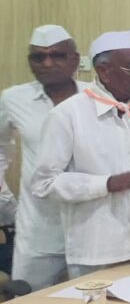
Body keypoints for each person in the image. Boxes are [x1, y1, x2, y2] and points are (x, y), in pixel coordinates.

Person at [30, 30, 130, 278]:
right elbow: (44, 183)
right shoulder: (68, 115)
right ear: (104, 71)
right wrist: (105, 184)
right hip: (97, 252)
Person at [0, 25, 88, 290]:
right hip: (38, 226)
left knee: (96, 301)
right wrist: (7, 204)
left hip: (91, 226)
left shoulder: (96, 97)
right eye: (38, 57)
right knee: (28, 303)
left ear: (75, 59)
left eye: (57, 55)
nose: (47, 63)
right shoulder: (14, 99)